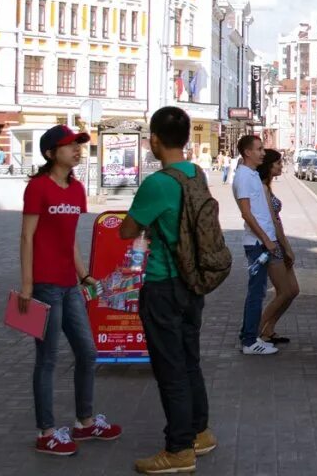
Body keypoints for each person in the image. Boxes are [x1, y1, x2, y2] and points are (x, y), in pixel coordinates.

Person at [118, 107, 216, 475]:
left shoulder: (157, 183)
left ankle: (178, 450)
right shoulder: (196, 174)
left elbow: (127, 230)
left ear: (154, 140)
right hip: (194, 283)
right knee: (190, 359)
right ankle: (199, 432)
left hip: (164, 283)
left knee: (169, 367)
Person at [18, 124, 121, 456]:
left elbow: (70, 239)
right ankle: (46, 431)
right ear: (50, 153)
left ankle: (84, 422)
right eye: (69, 146)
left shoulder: (76, 190)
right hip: (45, 286)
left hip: (69, 285)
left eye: (79, 145)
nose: (77, 150)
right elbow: (27, 237)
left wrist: (85, 275)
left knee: (88, 352)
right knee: (47, 359)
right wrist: (27, 286)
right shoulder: (37, 188)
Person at [233, 135, 280, 355]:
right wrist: (266, 239)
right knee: (256, 293)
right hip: (257, 244)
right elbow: (246, 212)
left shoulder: (251, 174)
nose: (263, 153)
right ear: (247, 152)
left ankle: (249, 336)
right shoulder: (243, 176)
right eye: (259, 149)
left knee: (258, 291)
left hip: (261, 242)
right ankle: (250, 341)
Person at [255, 148, 299, 345]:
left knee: (293, 290)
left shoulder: (267, 187)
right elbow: (273, 221)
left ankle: (269, 329)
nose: (282, 166)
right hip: (273, 244)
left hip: (278, 243)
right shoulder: (262, 188)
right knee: (284, 291)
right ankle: (255, 331)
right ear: (269, 166)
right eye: (278, 163)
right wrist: (286, 247)